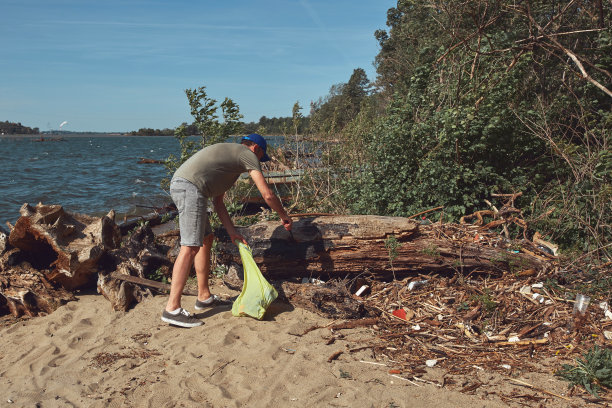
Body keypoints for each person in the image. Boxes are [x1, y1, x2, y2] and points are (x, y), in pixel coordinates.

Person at [161, 134, 293, 328]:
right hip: (189, 188)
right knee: (189, 247)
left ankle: (203, 296)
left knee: (207, 238)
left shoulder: (231, 166)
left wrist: (232, 233)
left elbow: (218, 203)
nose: (259, 164)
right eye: (260, 158)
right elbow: (267, 194)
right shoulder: (246, 154)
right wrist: (283, 215)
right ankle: (172, 309)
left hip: (190, 187)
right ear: (256, 148)